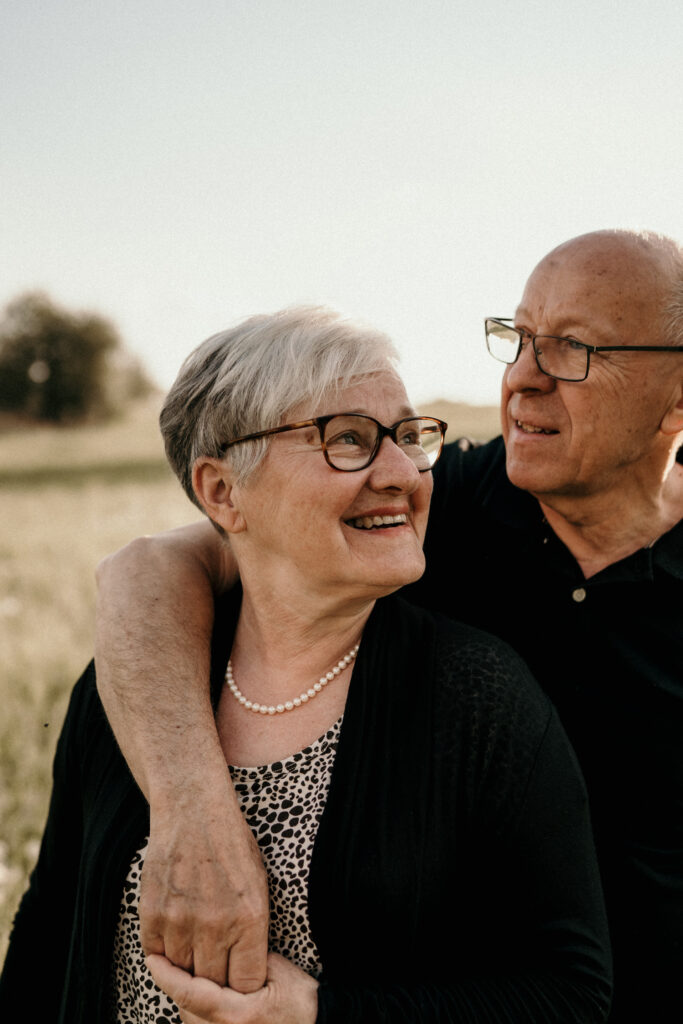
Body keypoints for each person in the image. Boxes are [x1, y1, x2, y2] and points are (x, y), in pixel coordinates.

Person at [80, 229, 683, 1022]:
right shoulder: (439, 506)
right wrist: (194, 811)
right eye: (520, 337)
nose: (523, 378)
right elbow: (148, 572)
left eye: (572, 349)